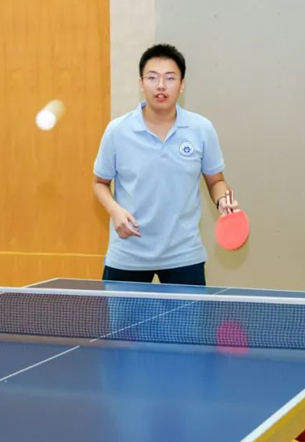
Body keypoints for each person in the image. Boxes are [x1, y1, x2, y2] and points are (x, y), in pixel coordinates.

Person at [92, 43, 239, 286]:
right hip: (128, 254)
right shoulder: (117, 131)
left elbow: (216, 181)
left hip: (184, 255)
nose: (161, 85)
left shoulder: (201, 129)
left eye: (170, 78)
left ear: (182, 85)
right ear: (141, 83)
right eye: (152, 77)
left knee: (189, 314)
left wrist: (223, 200)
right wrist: (114, 210)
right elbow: (100, 183)